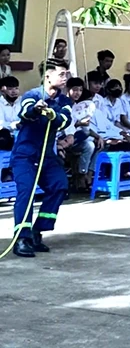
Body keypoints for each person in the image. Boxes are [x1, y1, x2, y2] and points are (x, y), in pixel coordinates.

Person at [9, 62, 73, 258]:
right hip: (25, 155)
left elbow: (65, 120)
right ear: (47, 76)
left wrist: (52, 114)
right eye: (61, 74)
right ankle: (22, 238)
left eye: (66, 74)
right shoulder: (33, 95)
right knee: (26, 192)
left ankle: (37, 231)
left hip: (47, 156)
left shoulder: (64, 101)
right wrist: (36, 110)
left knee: (60, 185)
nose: (65, 78)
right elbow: (25, 112)